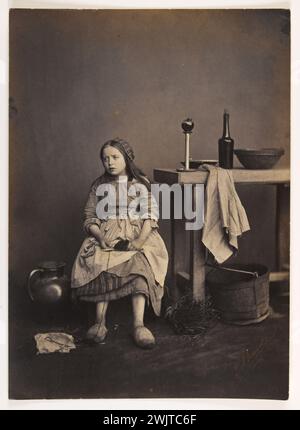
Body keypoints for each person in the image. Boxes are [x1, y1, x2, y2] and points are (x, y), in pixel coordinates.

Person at [71, 138, 169, 349]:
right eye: (105, 159)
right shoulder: (99, 185)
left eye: (115, 157)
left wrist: (139, 241)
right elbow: (89, 216)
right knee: (99, 261)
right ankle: (99, 323)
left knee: (141, 263)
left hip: (137, 234)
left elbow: (150, 215)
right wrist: (100, 238)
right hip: (106, 235)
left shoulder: (141, 183)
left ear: (127, 158)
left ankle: (139, 324)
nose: (110, 162)